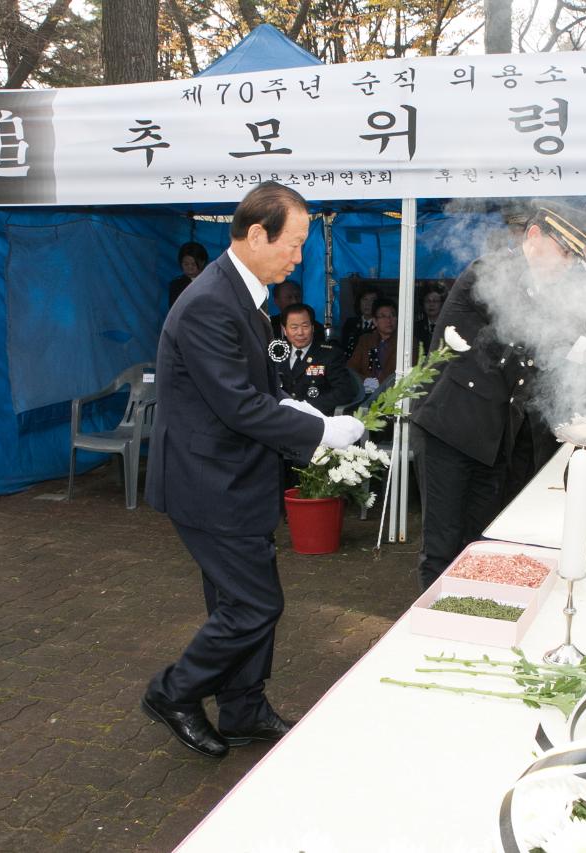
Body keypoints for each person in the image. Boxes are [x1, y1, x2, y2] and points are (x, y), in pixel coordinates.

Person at [141, 182, 365, 758]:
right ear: (257, 233)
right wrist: (319, 431)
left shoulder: (245, 297)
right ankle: (175, 691)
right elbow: (236, 405)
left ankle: (243, 709)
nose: (298, 258)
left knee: (237, 601)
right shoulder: (210, 302)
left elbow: (250, 389)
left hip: (237, 476)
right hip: (208, 480)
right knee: (254, 604)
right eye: (292, 245)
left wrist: (291, 405)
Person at [412, 199, 586, 591]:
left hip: (492, 438)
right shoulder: (492, 273)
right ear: (533, 235)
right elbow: (529, 333)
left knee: (481, 541)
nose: (566, 263)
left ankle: (472, 613)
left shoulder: (542, 290)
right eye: (563, 250)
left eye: (573, 256)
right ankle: (429, 634)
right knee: (441, 547)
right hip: (450, 431)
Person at [277, 303, 358, 415]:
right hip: (282, 417)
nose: (300, 333)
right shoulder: (276, 354)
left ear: (313, 327)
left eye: (305, 326)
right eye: (294, 327)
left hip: (317, 418)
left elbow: (344, 391)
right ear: (284, 330)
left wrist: (306, 407)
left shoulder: (329, 355)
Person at [348, 298, 398, 397]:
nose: (389, 320)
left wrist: (379, 383)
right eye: (383, 316)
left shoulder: (407, 341)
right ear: (375, 321)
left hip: (392, 395)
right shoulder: (365, 340)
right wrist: (365, 381)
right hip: (365, 393)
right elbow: (351, 368)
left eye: (392, 315)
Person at [339, 286, 379, 358]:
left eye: (372, 300)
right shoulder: (350, 323)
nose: (368, 304)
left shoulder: (381, 324)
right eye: (365, 299)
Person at [168, 241, 208, 308]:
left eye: (193, 264)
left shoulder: (211, 282)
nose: (190, 268)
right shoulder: (176, 285)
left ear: (202, 262)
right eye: (186, 264)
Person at [415, 284, 445, 355]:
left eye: (435, 301)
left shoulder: (447, 327)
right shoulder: (416, 328)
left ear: (441, 304)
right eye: (428, 301)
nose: (431, 304)